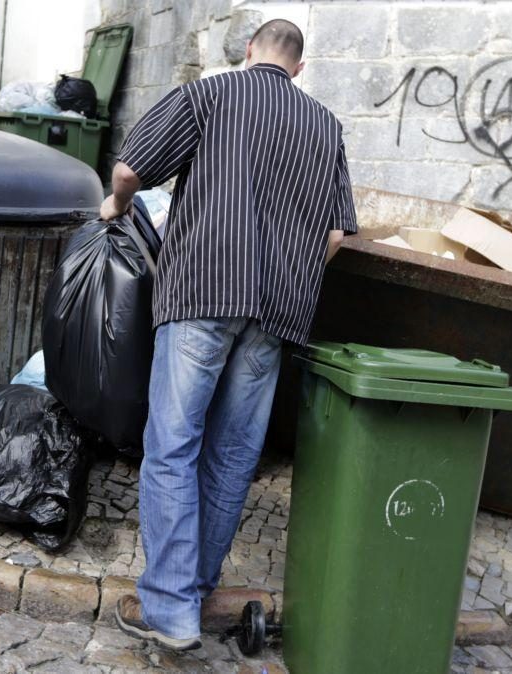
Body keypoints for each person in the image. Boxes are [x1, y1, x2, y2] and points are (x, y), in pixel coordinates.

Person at [103, 19, 358, 652]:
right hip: (276, 312)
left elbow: (133, 166)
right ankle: (194, 586)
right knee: (233, 454)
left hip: (204, 291)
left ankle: (171, 611)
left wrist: (115, 204)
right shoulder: (326, 128)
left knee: (172, 446)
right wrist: (293, 274)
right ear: (300, 68)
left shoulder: (211, 94)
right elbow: (335, 234)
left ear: (248, 52)